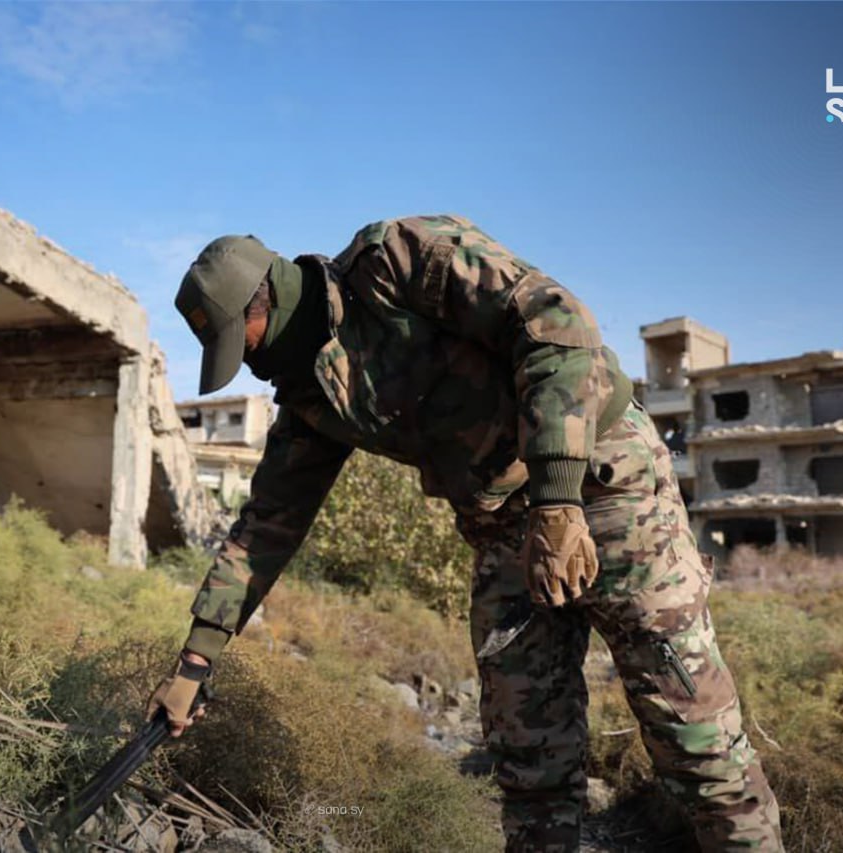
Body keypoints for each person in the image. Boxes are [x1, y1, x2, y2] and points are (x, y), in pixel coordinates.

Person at [149, 215, 783, 851]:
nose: (249, 367)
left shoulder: (395, 260)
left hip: (603, 483)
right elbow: (267, 526)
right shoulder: (309, 399)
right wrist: (197, 660)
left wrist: (558, 500)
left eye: (242, 344)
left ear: (267, 301)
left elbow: (556, 321)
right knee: (529, 761)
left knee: (696, 741)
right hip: (502, 527)